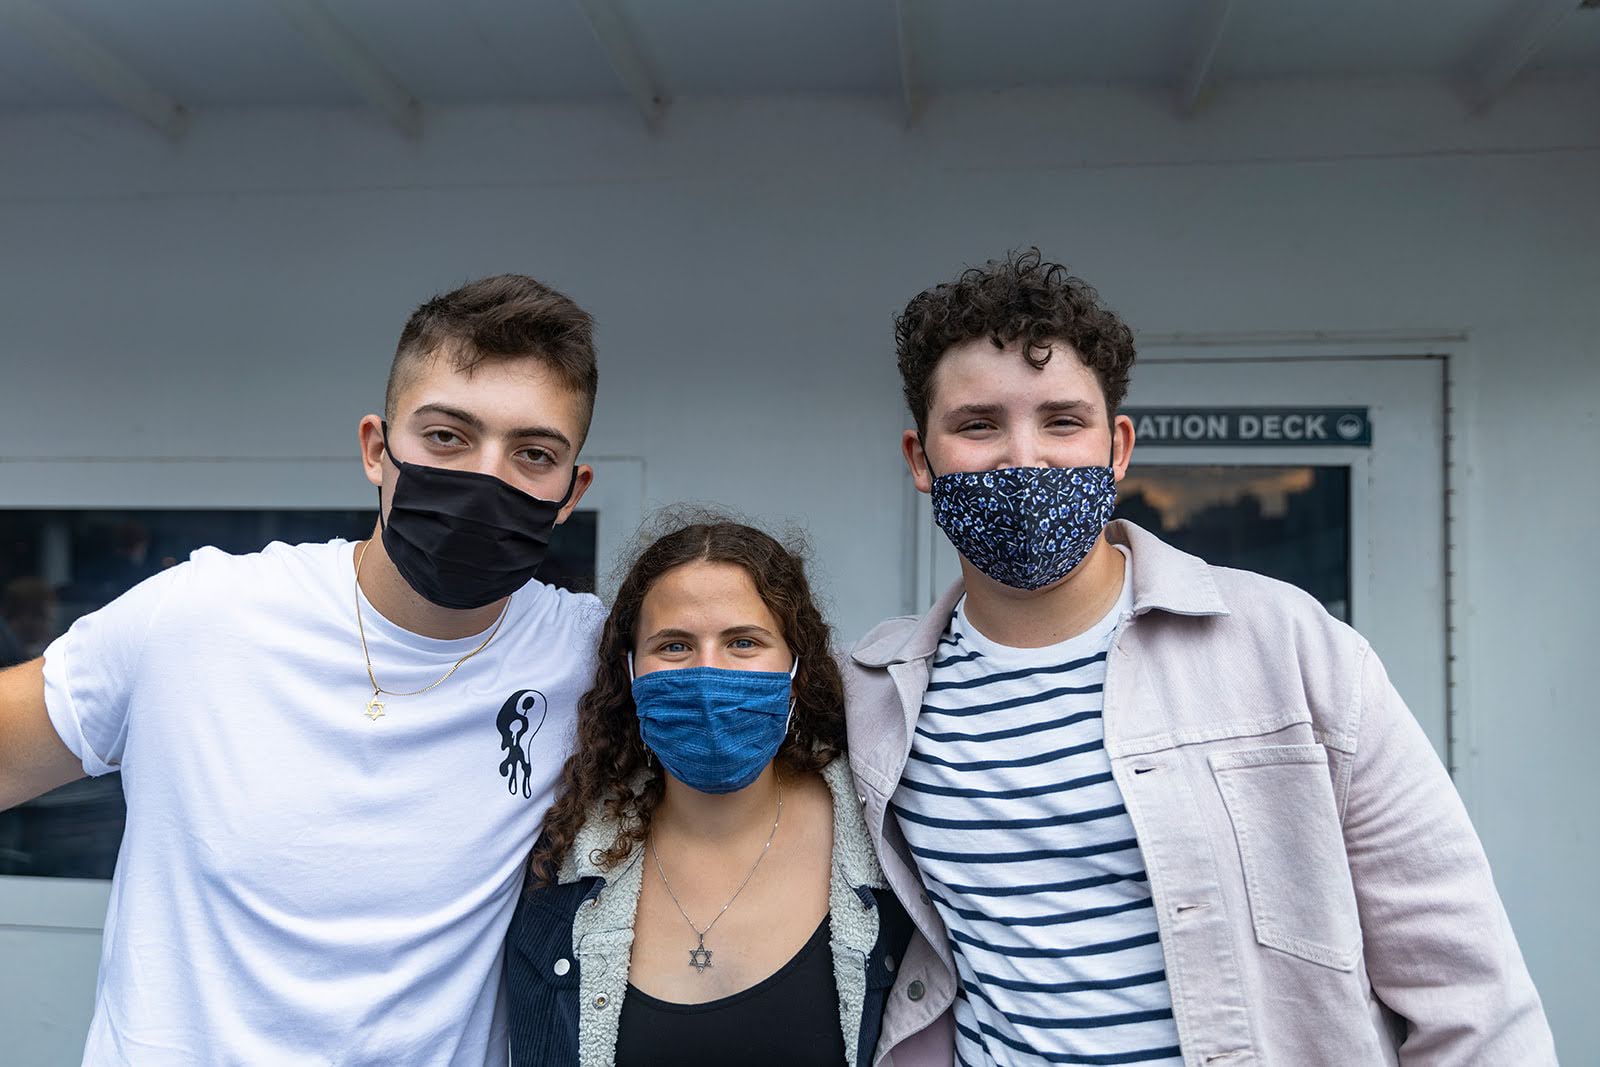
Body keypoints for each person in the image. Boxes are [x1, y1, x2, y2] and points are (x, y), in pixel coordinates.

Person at [842, 250, 1556, 1064]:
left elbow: (1470, 993)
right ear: (919, 459)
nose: (1023, 456)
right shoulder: (871, 698)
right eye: (978, 424)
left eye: (1062, 421)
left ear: (1117, 448)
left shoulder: (1291, 646)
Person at [0, 274, 605, 1064]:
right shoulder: (199, 615)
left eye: (532, 453)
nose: (485, 478)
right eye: (447, 437)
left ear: (569, 493)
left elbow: (791, 687)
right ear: (375, 449)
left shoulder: (591, 656)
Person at [506, 519, 941, 1066]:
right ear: (630, 670)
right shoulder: (560, 868)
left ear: (796, 667)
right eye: (674, 645)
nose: (708, 673)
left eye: (743, 642)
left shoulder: (888, 850)